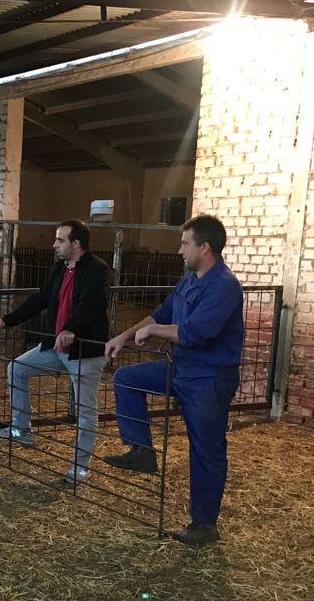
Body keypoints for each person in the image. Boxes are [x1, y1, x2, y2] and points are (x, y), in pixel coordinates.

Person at [102, 214, 243, 547]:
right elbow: (163, 313)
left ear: (204, 247)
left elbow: (195, 333)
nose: (180, 251)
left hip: (208, 377)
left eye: (185, 244)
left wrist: (154, 331)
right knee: (127, 378)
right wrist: (124, 336)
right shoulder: (189, 280)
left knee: (206, 449)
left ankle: (204, 524)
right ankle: (141, 450)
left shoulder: (224, 286)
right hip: (181, 368)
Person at [0, 219, 112, 484]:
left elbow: (91, 304)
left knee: (85, 411)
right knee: (16, 368)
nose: (54, 245)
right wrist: (6, 320)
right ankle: (21, 429)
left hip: (84, 351)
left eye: (60, 240)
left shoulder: (97, 270)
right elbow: (39, 299)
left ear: (76, 243)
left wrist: (71, 328)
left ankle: (80, 468)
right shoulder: (59, 269)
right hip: (56, 347)